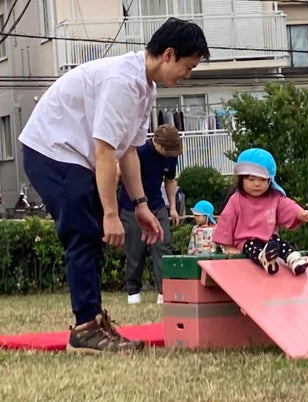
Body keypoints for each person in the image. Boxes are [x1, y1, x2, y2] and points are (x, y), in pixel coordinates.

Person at [18, 18, 209, 354]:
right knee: (83, 232)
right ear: (168, 54)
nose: (187, 75)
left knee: (90, 234)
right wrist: (110, 213)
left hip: (74, 155)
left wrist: (140, 205)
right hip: (50, 149)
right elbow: (105, 151)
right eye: (188, 66)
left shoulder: (145, 88)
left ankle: (92, 322)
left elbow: (129, 151)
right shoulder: (122, 81)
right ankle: (85, 330)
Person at [213, 148, 308, 275]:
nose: (257, 184)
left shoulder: (274, 197)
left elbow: (288, 206)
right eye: (251, 179)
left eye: (262, 180)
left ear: (270, 180)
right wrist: (228, 246)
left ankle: (293, 259)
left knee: (280, 243)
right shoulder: (236, 200)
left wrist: (301, 214)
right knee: (252, 247)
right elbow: (227, 220)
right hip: (245, 240)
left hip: (269, 238)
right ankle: (264, 258)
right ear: (241, 179)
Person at [118, 124, 182, 305]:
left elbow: (170, 180)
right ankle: (133, 291)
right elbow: (118, 173)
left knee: (163, 245)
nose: (169, 154)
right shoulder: (139, 151)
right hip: (132, 206)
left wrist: (173, 207)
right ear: (157, 143)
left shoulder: (171, 156)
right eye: (167, 151)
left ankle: (164, 291)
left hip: (156, 205)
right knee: (135, 249)